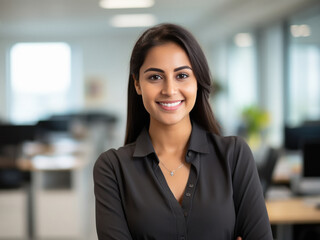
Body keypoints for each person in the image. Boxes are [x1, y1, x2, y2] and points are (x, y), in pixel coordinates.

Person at [93, 23, 272, 240]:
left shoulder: (234, 155)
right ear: (137, 84)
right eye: (155, 77)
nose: (169, 90)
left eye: (182, 75)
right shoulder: (112, 168)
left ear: (197, 80)